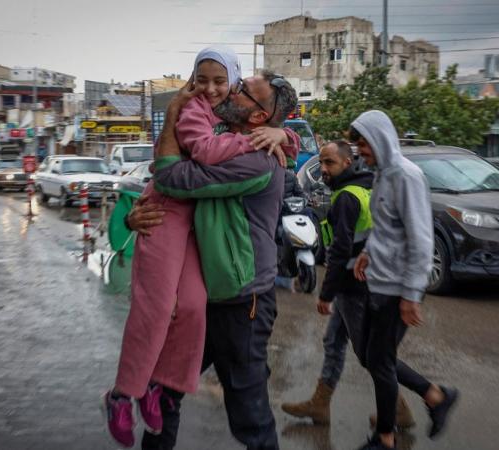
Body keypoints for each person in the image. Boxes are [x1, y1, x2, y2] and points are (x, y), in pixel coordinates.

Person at [103, 48, 299, 449]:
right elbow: (169, 197)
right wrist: (133, 216)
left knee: (249, 412)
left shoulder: (259, 158)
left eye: (243, 90)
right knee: (166, 387)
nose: (232, 92)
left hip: (243, 301)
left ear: (260, 116)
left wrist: (175, 110)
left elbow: (173, 178)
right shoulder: (229, 135)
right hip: (209, 292)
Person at [280, 141, 415, 430]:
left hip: (354, 286)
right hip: (358, 282)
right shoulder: (367, 187)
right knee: (334, 342)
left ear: (347, 162)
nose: (324, 169)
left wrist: (325, 294)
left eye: (330, 163)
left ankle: (416, 400)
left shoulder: (347, 197)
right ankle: (320, 404)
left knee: (370, 355)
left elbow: (340, 250)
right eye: (322, 163)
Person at [351, 111, 459, 450]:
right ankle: (436, 395)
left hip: (398, 287)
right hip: (378, 280)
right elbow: (385, 226)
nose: (360, 149)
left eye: (364, 142)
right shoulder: (382, 175)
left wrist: (412, 294)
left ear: (381, 138)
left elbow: (421, 238)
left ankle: (385, 437)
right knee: (370, 357)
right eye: (357, 143)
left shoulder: (408, 177)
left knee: (380, 362)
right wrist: (368, 250)